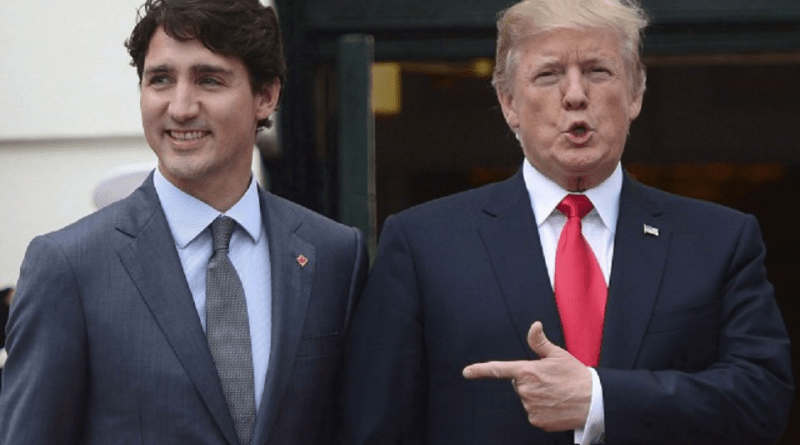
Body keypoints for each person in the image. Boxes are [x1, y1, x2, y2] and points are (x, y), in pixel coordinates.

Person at [342, 0, 793, 444]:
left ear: (635, 94)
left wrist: (600, 399)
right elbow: (375, 428)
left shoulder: (719, 240)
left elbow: (762, 401)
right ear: (508, 102)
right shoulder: (425, 244)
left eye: (598, 71)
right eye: (548, 74)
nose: (575, 94)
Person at [0, 0, 368, 444]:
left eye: (209, 79)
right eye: (160, 79)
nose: (180, 107)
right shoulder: (69, 266)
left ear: (266, 96)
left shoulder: (334, 254)